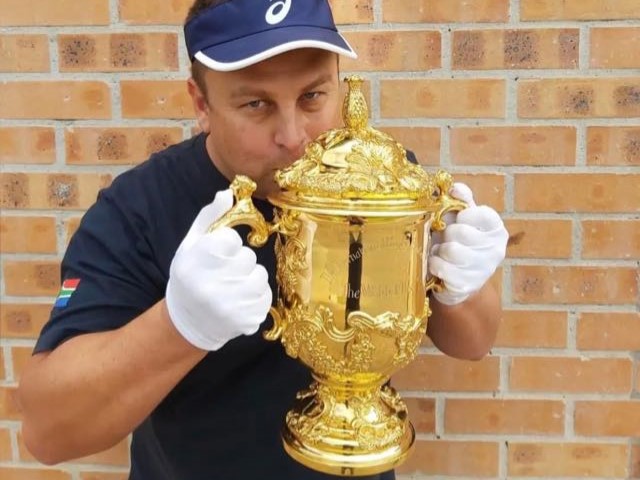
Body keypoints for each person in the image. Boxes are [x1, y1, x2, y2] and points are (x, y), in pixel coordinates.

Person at [17, 1, 509, 479]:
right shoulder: (139, 208)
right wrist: (179, 325)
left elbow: (474, 342)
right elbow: (48, 434)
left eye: (313, 96)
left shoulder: (383, 183)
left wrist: (457, 284)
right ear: (201, 104)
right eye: (256, 104)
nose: (294, 136)